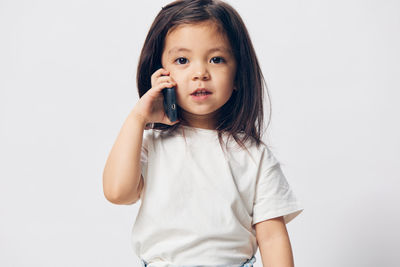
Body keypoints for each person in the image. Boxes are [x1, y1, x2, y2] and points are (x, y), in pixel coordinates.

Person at [102, 0, 304, 266]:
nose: (200, 73)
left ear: (238, 77)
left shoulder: (254, 156)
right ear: (161, 72)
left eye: (216, 59)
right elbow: (118, 192)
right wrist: (138, 117)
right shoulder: (150, 144)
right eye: (182, 60)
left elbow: (272, 238)